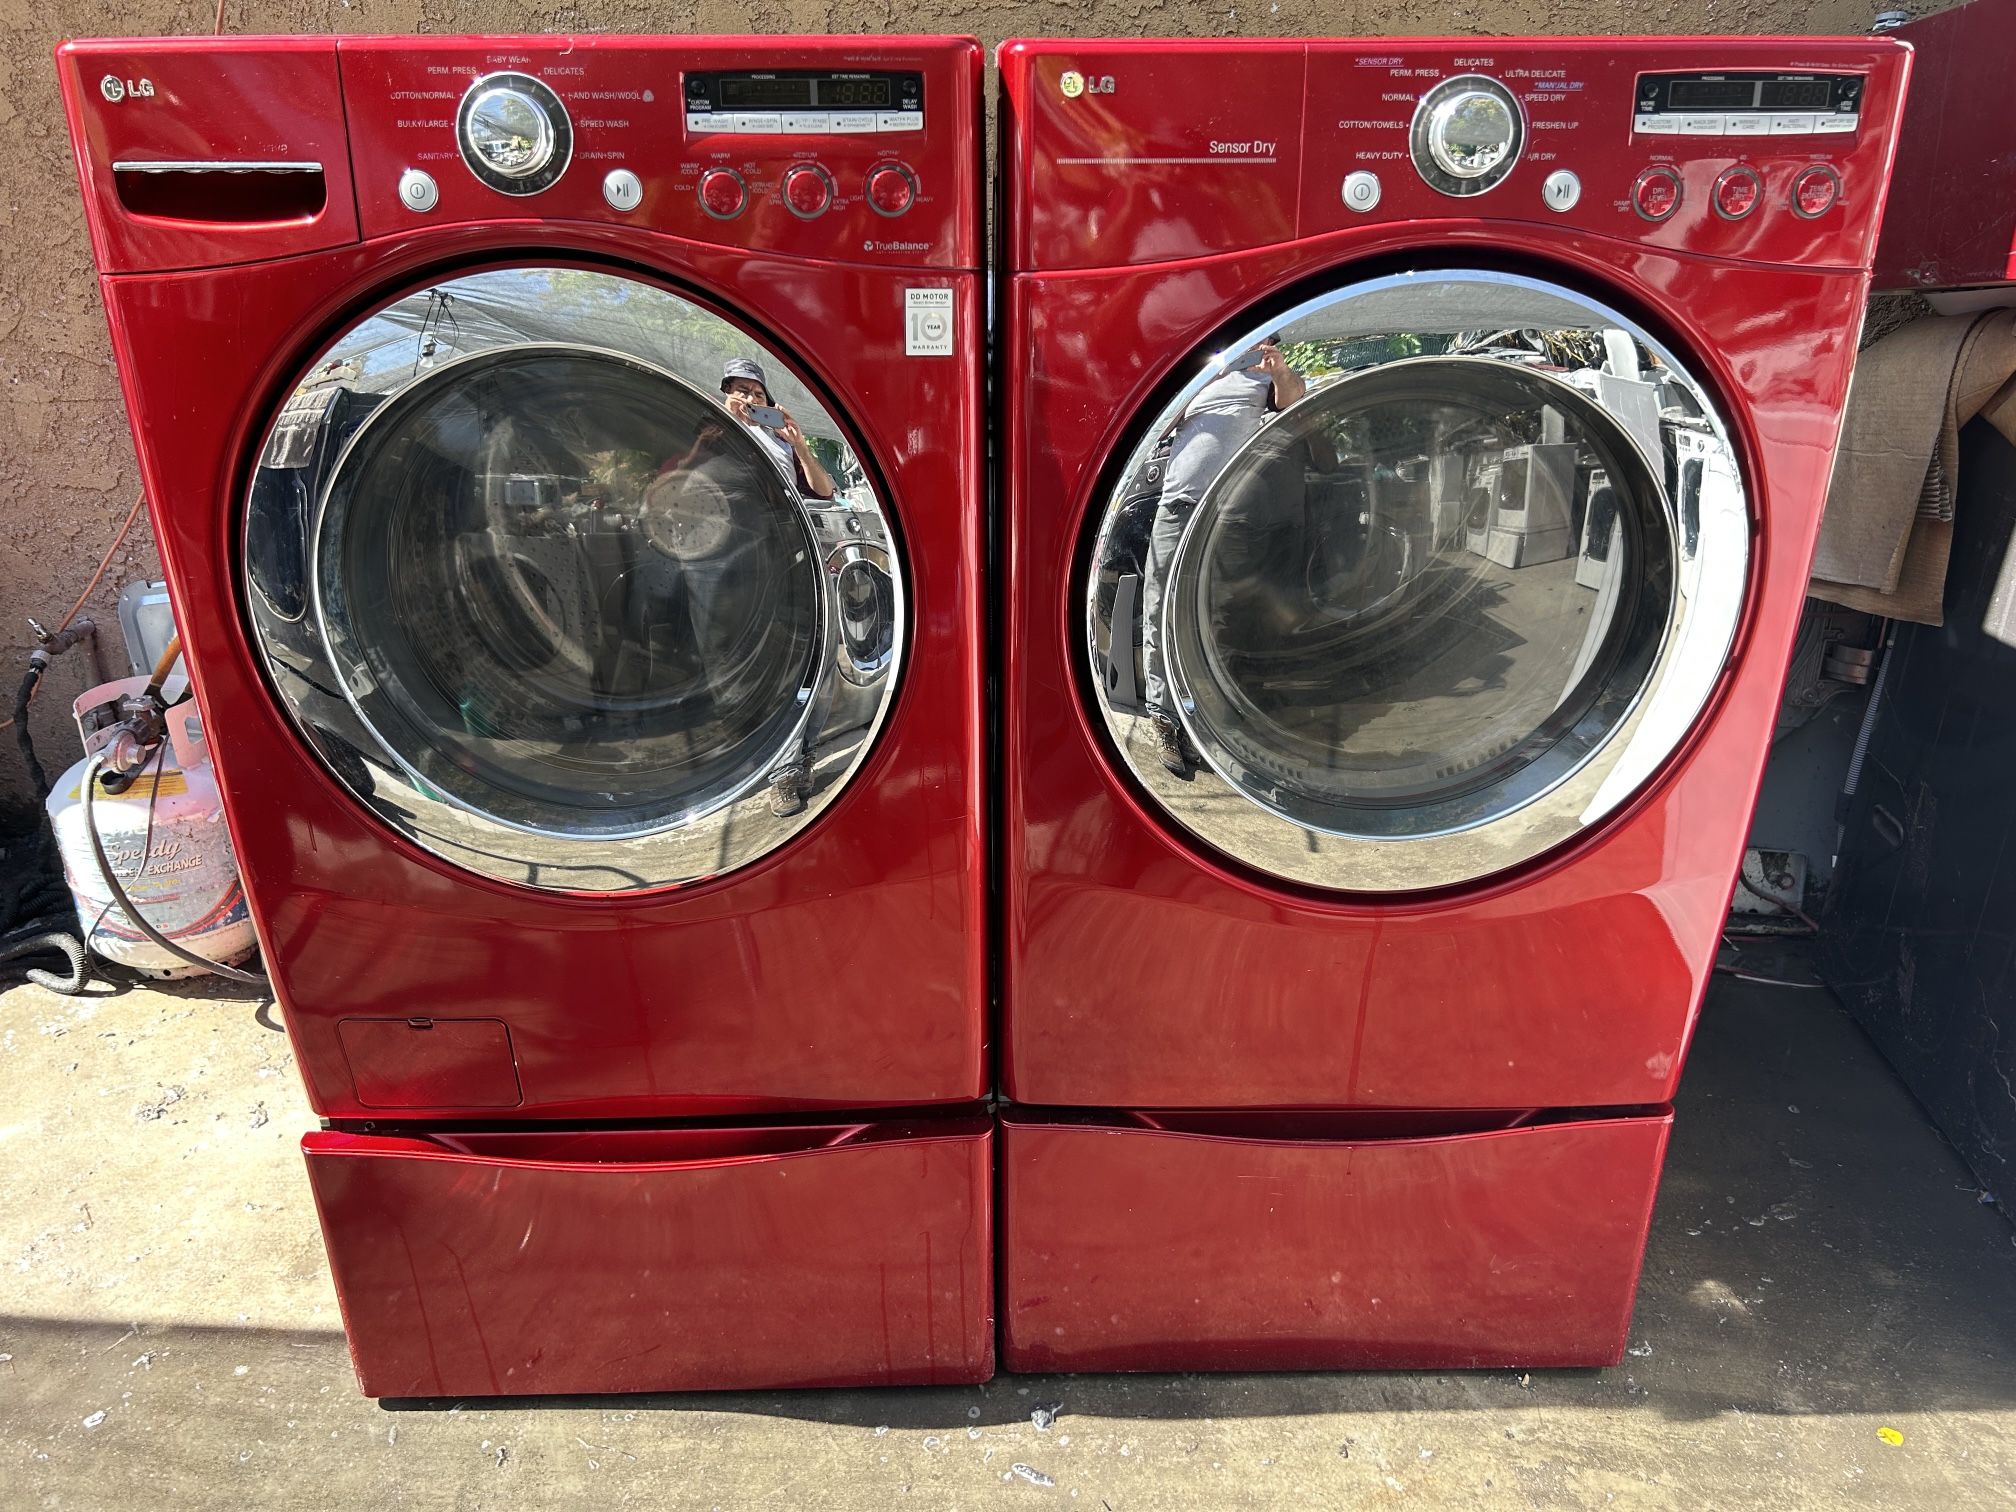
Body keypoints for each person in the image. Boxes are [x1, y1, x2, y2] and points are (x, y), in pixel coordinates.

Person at [1139, 336, 1306, 779]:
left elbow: (1294, 406)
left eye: (1266, 339)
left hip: (1231, 513)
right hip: (1178, 505)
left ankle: (1211, 721)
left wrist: (1278, 369)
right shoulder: (1200, 376)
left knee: (1223, 613)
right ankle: (1164, 718)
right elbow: (1160, 426)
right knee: (1159, 609)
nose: (1255, 345)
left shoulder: (1267, 378)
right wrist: (1200, 379)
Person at [720, 357, 835, 501]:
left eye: (759, 395)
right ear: (727, 391)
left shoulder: (781, 439)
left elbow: (824, 492)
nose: (751, 400)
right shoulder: (714, 425)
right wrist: (726, 419)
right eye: (743, 391)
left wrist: (800, 445)